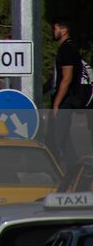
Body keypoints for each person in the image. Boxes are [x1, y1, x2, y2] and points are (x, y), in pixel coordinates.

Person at [46, 18, 87, 167]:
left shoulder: (68, 49)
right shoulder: (64, 48)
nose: (53, 31)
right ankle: (72, 168)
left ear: (63, 31)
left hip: (65, 100)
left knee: (59, 137)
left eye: (55, 29)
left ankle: (73, 169)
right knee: (60, 137)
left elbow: (67, 78)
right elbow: (57, 77)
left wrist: (57, 103)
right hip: (63, 99)